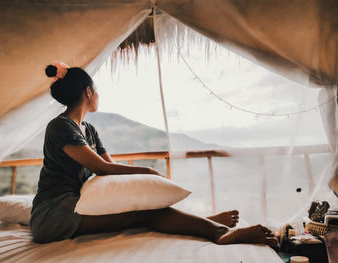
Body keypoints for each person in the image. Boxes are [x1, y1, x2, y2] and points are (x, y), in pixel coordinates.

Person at [30, 62, 278, 246]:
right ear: (87, 92)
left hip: (76, 204)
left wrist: (141, 187)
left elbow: (111, 169)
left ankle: (199, 221)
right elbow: (102, 169)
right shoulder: (60, 126)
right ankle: (218, 233)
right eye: (96, 90)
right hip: (53, 213)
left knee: (143, 206)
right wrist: (147, 171)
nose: (98, 95)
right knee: (144, 214)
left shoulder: (90, 130)